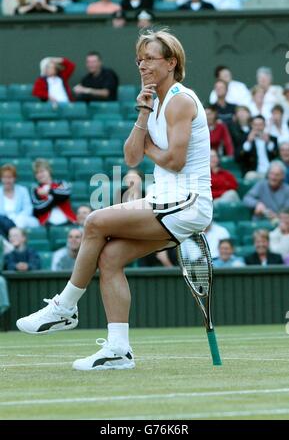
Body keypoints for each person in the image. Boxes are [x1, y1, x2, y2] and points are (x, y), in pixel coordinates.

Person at [16, 29, 213, 372]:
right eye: (140, 59)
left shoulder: (181, 100)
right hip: (166, 200)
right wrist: (142, 114)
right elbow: (132, 157)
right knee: (109, 258)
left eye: (150, 58)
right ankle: (118, 350)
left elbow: (175, 161)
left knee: (94, 221)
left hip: (187, 202)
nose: (142, 65)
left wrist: (150, 145)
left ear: (171, 62)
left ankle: (65, 307)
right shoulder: (151, 100)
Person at [31, 158, 77, 226]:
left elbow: (66, 194)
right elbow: (39, 208)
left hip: (68, 221)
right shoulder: (35, 189)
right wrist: (56, 196)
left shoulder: (61, 183)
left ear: (49, 171)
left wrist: (49, 191)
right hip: (47, 224)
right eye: (37, 173)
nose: (39, 175)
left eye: (42, 171)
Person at [236, 115, 278, 179]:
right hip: (254, 172)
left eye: (260, 125)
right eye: (255, 125)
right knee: (250, 176)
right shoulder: (244, 138)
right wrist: (248, 142)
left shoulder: (272, 138)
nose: (258, 127)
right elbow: (238, 157)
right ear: (251, 125)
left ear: (264, 125)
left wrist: (268, 142)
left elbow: (276, 155)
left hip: (271, 172)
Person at [0, 164, 39, 232]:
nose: (7, 180)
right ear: (1, 178)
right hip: (3, 222)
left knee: (21, 221)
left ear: (15, 178)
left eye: (10, 177)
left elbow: (28, 208)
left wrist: (16, 218)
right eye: (4, 177)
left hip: (20, 220)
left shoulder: (22, 190)